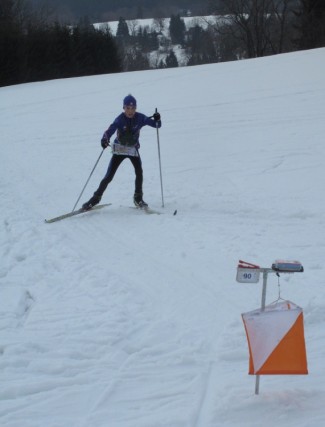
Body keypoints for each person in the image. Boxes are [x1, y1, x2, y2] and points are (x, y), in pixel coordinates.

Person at [82, 94, 161, 211]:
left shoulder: (140, 118)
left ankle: (138, 198)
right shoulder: (119, 119)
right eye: (128, 108)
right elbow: (110, 130)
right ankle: (95, 199)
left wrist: (157, 118)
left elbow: (157, 125)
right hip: (119, 150)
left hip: (133, 150)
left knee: (139, 172)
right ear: (123, 108)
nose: (130, 111)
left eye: (133, 108)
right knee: (109, 176)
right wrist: (104, 139)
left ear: (136, 108)